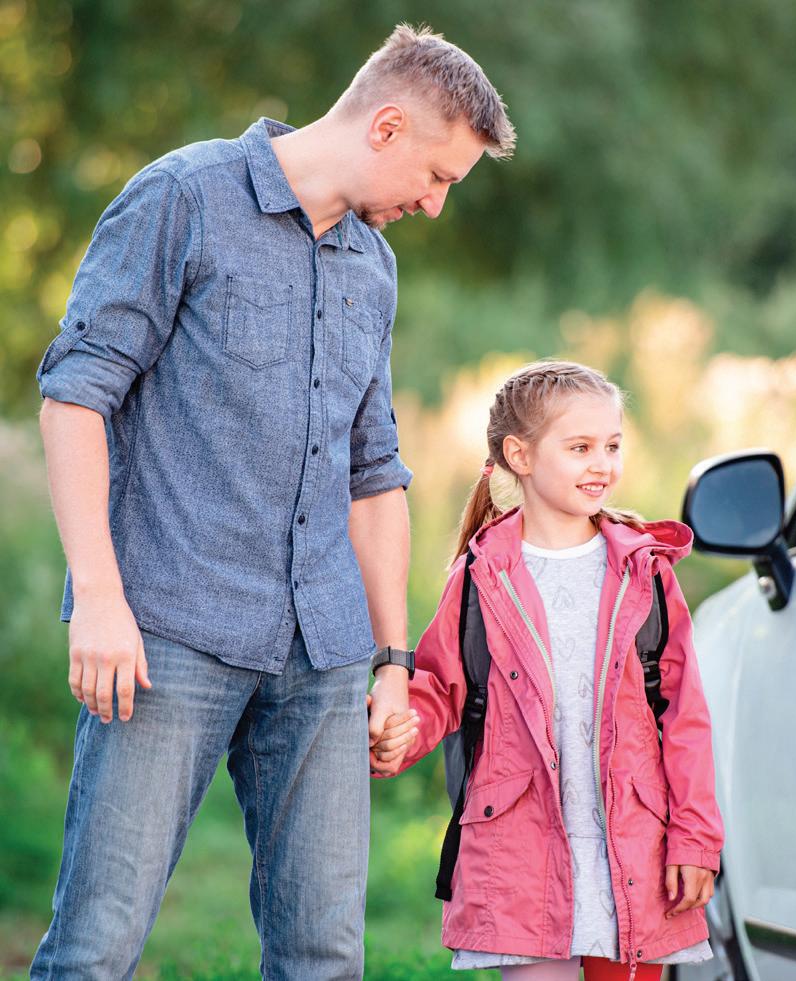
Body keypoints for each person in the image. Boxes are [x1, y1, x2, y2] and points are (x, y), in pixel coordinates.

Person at [31, 24, 514, 980]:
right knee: (95, 947)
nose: (435, 203)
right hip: (168, 630)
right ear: (386, 126)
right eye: (437, 176)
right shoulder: (184, 199)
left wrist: (391, 662)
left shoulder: (372, 265)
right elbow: (75, 397)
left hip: (322, 654)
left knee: (325, 956)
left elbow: (373, 474)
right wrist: (100, 597)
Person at [371, 361, 724, 981]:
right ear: (520, 455)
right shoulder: (481, 577)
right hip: (520, 856)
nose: (602, 464)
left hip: (633, 852)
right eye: (580, 448)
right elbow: (440, 688)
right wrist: (399, 731)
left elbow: (685, 717)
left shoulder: (645, 573)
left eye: (612, 446)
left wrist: (695, 838)